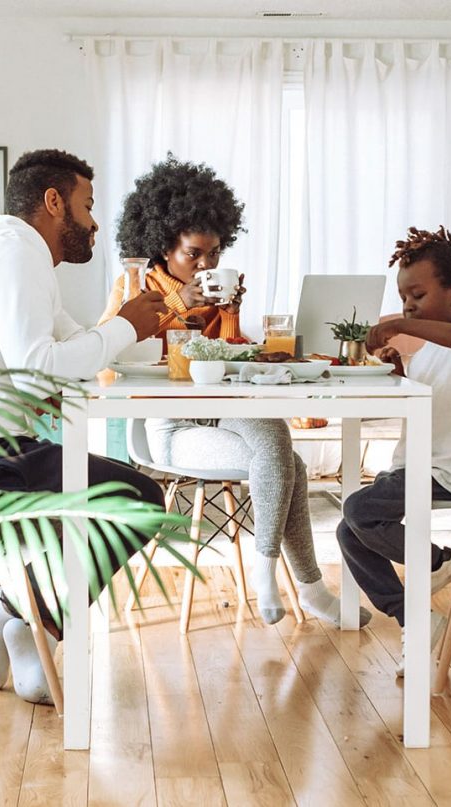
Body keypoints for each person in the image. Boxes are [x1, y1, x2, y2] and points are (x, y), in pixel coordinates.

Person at [0, 148, 170, 704]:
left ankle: (12, 608)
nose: (94, 224)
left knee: (119, 489)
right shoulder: (15, 254)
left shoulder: (17, 256)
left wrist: (128, 330)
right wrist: (124, 326)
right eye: (87, 206)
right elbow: (40, 366)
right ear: (53, 202)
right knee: (138, 499)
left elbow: (67, 348)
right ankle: (28, 620)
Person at [98, 156, 367, 628]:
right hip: (171, 424)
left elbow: (224, 360)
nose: (206, 265)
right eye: (193, 254)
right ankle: (306, 586)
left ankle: (271, 572)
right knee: (288, 463)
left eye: (215, 253)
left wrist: (230, 315)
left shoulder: (215, 291)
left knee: (276, 438)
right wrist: (179, 302)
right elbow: (108, 360)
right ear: (163, 245)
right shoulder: (135, 287)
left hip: (223, 409)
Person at [335, 225, 451, 673]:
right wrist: (399, 369)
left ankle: (439, 561)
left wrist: (399, 326)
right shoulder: (426, 355)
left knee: (358, 510)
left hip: (446, 472)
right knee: (349, 531)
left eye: (417, 296)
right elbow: (421, 402)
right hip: (413, 468)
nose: (407, 305)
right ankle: (414, 619)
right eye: (404, 298)